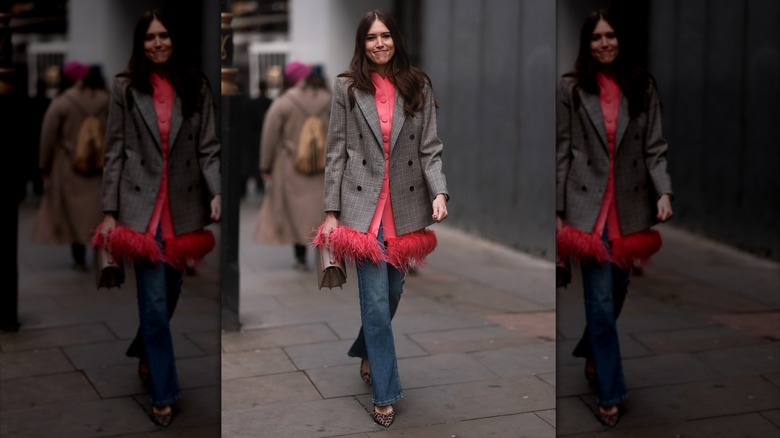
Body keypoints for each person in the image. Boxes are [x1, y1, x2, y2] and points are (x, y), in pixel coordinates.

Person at [313, 9, 449, 428]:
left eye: (385, 36)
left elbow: (430, 148)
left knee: (391, 296)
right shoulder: (347, 88)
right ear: (362, 44)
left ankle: (368, 348)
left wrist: (440, 191)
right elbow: (337, 150)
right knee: (374, 301)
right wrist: (331, 213)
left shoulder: (417, 85)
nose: (379, 44)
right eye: (371, 37)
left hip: (404, 210)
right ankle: (385, 394)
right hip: (360, 209)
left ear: (396, 40)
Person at [92, 9, 221, 427]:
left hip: (182, 211)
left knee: (170, 294)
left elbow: (208, 148)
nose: (158, 43)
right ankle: (164, 392)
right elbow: (114, 151)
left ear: (174, 39)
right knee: (152, 299)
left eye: (164, 35)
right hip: (138, 209)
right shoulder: (126, 88)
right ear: (139, 44)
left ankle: (146, 348)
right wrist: (109, 212)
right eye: (150, 38)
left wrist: (217, 190)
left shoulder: (195, 85)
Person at [555, 9, 673, 428]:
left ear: (622, 40)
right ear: (586, 43)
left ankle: (591, 349)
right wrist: (557, 213)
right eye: (596, 37)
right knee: (601, 302)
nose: (604, 43)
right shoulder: (571, 89)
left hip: (630, 207)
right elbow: (563, 150)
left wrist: (664, 191)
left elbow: (654, 147)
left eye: (611, 36)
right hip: (587, 211)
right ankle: (610, 393)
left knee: (615, 294)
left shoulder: (642, 86)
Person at [252, 60, 331, 270]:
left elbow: (269, 134)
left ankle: (300, 257)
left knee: (297, 213)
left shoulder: (285, 101)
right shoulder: (329, 98)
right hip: (324, 166)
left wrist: (265, 165)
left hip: (291, 165)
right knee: (319, 211)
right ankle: (323, 254)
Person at [32, 62, 108, 271]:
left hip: (69, 165)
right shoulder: (108, 100)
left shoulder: (64, 101)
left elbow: (48, 135)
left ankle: (78, 256)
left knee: (75, 212)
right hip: (101, 166)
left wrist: (44, 165)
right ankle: (100, 254)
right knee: (96, 211)